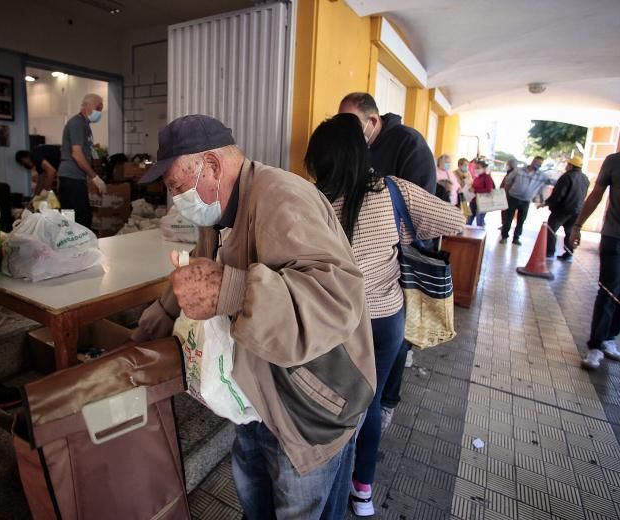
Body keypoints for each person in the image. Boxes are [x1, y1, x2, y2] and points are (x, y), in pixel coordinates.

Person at [129, 115, 376, 519]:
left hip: (310, 406)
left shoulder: (283, 197)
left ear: (211, 166)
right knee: (255, 505)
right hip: (257, 394)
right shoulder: (218, 212)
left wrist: (230, 290)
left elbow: (336, 299)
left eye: (176, 186)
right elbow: (202, 269)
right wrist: (155, 320)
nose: (175, 199)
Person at [305, 113, 465, 517]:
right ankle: (362, 493)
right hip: (386, 319)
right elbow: (455, 220)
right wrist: (402, 232)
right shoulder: (395, 191)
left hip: (336, 321)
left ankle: (327, 485)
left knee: (335, 402)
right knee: (371, 403)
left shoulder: (313, 202)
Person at [339, 92, 437, 431]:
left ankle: (387, 403)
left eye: (352, 123)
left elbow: (421, 208)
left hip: (398, 261)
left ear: (373, 121)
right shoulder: (357, 149)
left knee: (394, 339)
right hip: (361, 262)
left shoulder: (408, 143)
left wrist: (386, 238)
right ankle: (364, 400)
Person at [571, 153, 620, 370]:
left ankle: (610, 336)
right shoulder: (613, 161)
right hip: (615, 237)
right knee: (610, 289)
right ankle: (596, 345)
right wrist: (577, 226)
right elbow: (596, 195)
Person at [57, 93, 107, 228]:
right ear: (86, 106)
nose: (99, 112)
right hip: (71, 178)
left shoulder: (85, 125)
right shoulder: (77, 123)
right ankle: (75, 247)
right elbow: (77, 154)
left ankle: (75, 245)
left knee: (77, 218)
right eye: (98, 108)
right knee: (79, 219)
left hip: (77, 178)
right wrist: (94, 177)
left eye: (101, 109)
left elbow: (87, 152)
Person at [500, 155, 554, 244]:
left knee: (521, 220)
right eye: (537, 162)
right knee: (508, 218)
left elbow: (551, 182)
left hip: (525, 201)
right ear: (532, 161)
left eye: (540, 164)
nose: (538, 165)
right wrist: (506, 193)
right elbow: (508, 180)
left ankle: (516, 238)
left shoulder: (541, 175)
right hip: (513, 197)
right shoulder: (518, 171)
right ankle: (504, 236)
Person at [543, 157, 589, 260]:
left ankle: (550, 252)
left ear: (571, 166)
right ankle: (569, 253)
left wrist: (548, 203)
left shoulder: (567, 176)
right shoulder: (585, 178)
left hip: (562, 210)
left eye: (568, 165)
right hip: (577, 211)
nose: (566, 167)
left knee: (551, 229)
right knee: (569, 232)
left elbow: (559, 194)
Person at [467, 160, 495, 227]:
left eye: (478, 168)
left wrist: (475, 190)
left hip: (482, 202)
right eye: (475, 167)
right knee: (469, 219)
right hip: (473, 200)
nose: (476, 169)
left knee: (479, 221)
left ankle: (481, 236)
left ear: (484, 168)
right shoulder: (477, 177)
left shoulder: (487, 177)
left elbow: (489, 190)